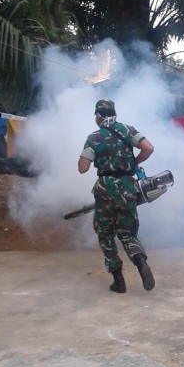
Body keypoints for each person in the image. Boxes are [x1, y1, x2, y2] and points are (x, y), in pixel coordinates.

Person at [78, 99, 155, 294]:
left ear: (98, 116)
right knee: (128, 234)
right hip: (128, 187)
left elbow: (82, 168)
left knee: (105, 235)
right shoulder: (128, 130)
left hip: (105, 189)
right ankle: (140, 262)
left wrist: (92, 156)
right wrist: (133, 164)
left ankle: (118, 281)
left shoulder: (94, 137)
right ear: (114, 114)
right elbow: (148, 148)